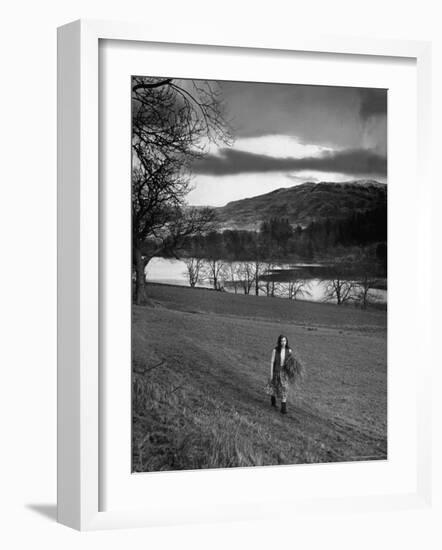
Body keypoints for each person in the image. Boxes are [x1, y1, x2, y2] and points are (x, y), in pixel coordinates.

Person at [268, 334, 294, 414]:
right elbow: (272, 362)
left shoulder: (289, 351)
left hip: (284, 373)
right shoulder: (275, 350)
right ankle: (273, 400)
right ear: (279, 342)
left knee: (284, 389)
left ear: (286, 341)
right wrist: (271, 374)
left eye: (285, 341)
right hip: (276, 371)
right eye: (282, 341)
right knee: (275, 388)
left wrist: (291, 372)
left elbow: (291, 363)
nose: (283, 342)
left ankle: (283, 409)